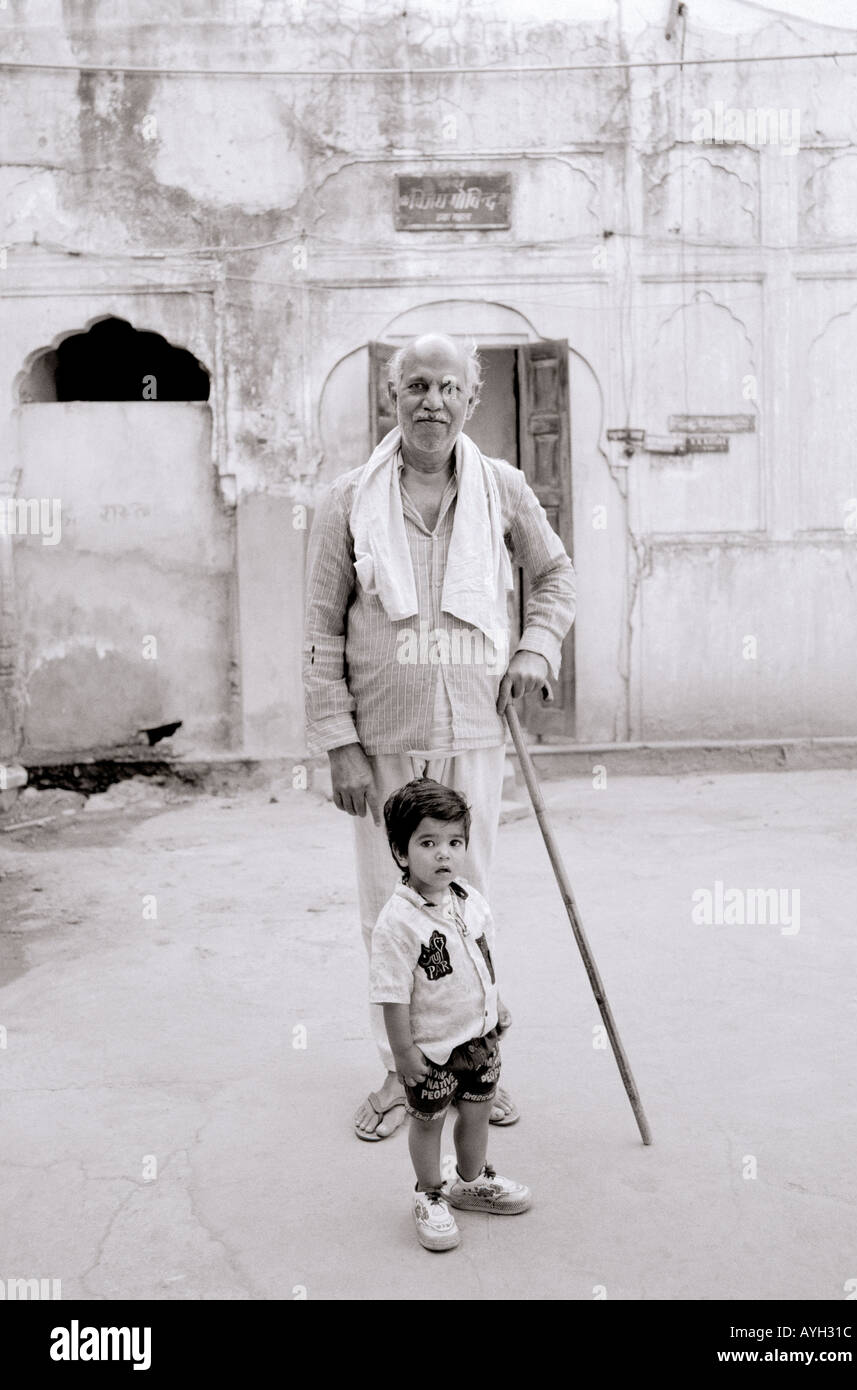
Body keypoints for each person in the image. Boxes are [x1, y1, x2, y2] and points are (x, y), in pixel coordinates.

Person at [303, 331, 576, 1139]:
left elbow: (554, 574)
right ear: (394, 398)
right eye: (416, 385)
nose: (432, 401)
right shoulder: (347, 499)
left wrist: (534, 646)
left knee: (470, 908)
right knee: (389, 912)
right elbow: (320, 628)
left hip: (472, 731)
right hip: (382, 736)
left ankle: (473, 1068)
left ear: (471, 399)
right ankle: (400, 1073)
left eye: (447, 387)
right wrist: (338, 740)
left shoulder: (503, 487)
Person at [370, 777, 531, 1251]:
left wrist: (494, 1003)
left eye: (454, 842)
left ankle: (470, 1180)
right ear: (401, 853)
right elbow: (391, 995)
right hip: (433, 1051)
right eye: (428, 843)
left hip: (480, 1041)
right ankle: (430, 1194)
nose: (444, 854)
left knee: (477, 1113)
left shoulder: (470, 900)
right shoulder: (397, 924)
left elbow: (481, 959)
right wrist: (403, 1053)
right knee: (428, 1122)